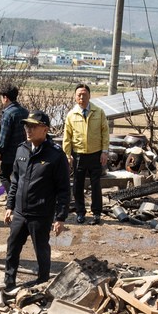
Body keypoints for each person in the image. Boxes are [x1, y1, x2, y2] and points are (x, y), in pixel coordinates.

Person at [2, 111, 70, 291]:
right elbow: (15, 180)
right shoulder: (21, 149)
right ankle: (9, 283)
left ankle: (43, 283)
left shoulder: (56, 155)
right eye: (27, 126)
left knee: (41, 250)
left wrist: (60, 217)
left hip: (40, 213)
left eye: (33, 126)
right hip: (19, 212)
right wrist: (9, 206)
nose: (28, 130)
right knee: (12, 248)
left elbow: (63, 189)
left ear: (45, 129)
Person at [62, 83, 110, 224]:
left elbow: (105, 132)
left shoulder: (99, 112)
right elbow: (67, 137)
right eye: (79, 95)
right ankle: (80, 212)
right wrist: (67, 155)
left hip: (96, 154)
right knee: (78, 184)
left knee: (95, 184)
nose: (82, 97)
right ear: (75, 97)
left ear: (89, 95)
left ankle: (96, 213)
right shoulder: (71, 115)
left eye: (84, 94)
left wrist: (105, 151)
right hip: (78, 155)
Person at [0, 83, 28, 181]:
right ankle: (15, 195)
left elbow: (3, 137)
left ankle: (10, 196)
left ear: (5, 98)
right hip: (24, 153)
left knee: (4, 177)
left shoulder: (8, 114)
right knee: (19, 178)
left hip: (9, 155)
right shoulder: (25, 112)